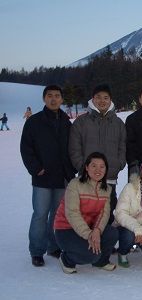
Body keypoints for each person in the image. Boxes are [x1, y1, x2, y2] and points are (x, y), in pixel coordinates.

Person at [20, 85, 76, 267]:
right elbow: (26, 148)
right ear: (44, 98)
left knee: (57, 215)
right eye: (50, 96)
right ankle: (36, 251)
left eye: (57, 96)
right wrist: (36, 169)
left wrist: (70, 170)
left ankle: (54, 246)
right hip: (43, 178)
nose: (54, 99)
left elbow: (71, 148)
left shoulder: (66, 122)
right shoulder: (34, 121)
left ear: (62, 99)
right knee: (40, 214)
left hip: (62, 177)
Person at [69, 83, 126, 225]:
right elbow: (75, 149)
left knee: (107, 213)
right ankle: (86, 243)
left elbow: (122, 147)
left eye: (106, 97)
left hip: (110, 177)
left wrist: (118, 164)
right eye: (98, 97)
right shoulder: (81, 122)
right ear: (92, 99)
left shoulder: (118, 123)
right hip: (86, 179)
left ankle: (106, 245)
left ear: (110, 100)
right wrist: (84, 168)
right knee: (86, 213)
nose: (102, 101)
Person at [54, 152, 119, 274]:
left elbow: (104, 214)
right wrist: (89, 235)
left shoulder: (106, 189)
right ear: (86, 167)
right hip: (66, 229)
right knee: (91, 255)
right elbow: (72, 213)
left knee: (112, 233)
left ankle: (101, 261)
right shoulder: (75, 185)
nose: (98, 170)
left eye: (102, 166)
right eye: (94, 166)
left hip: (89, 229)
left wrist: (97, 231)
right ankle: (66, 259)